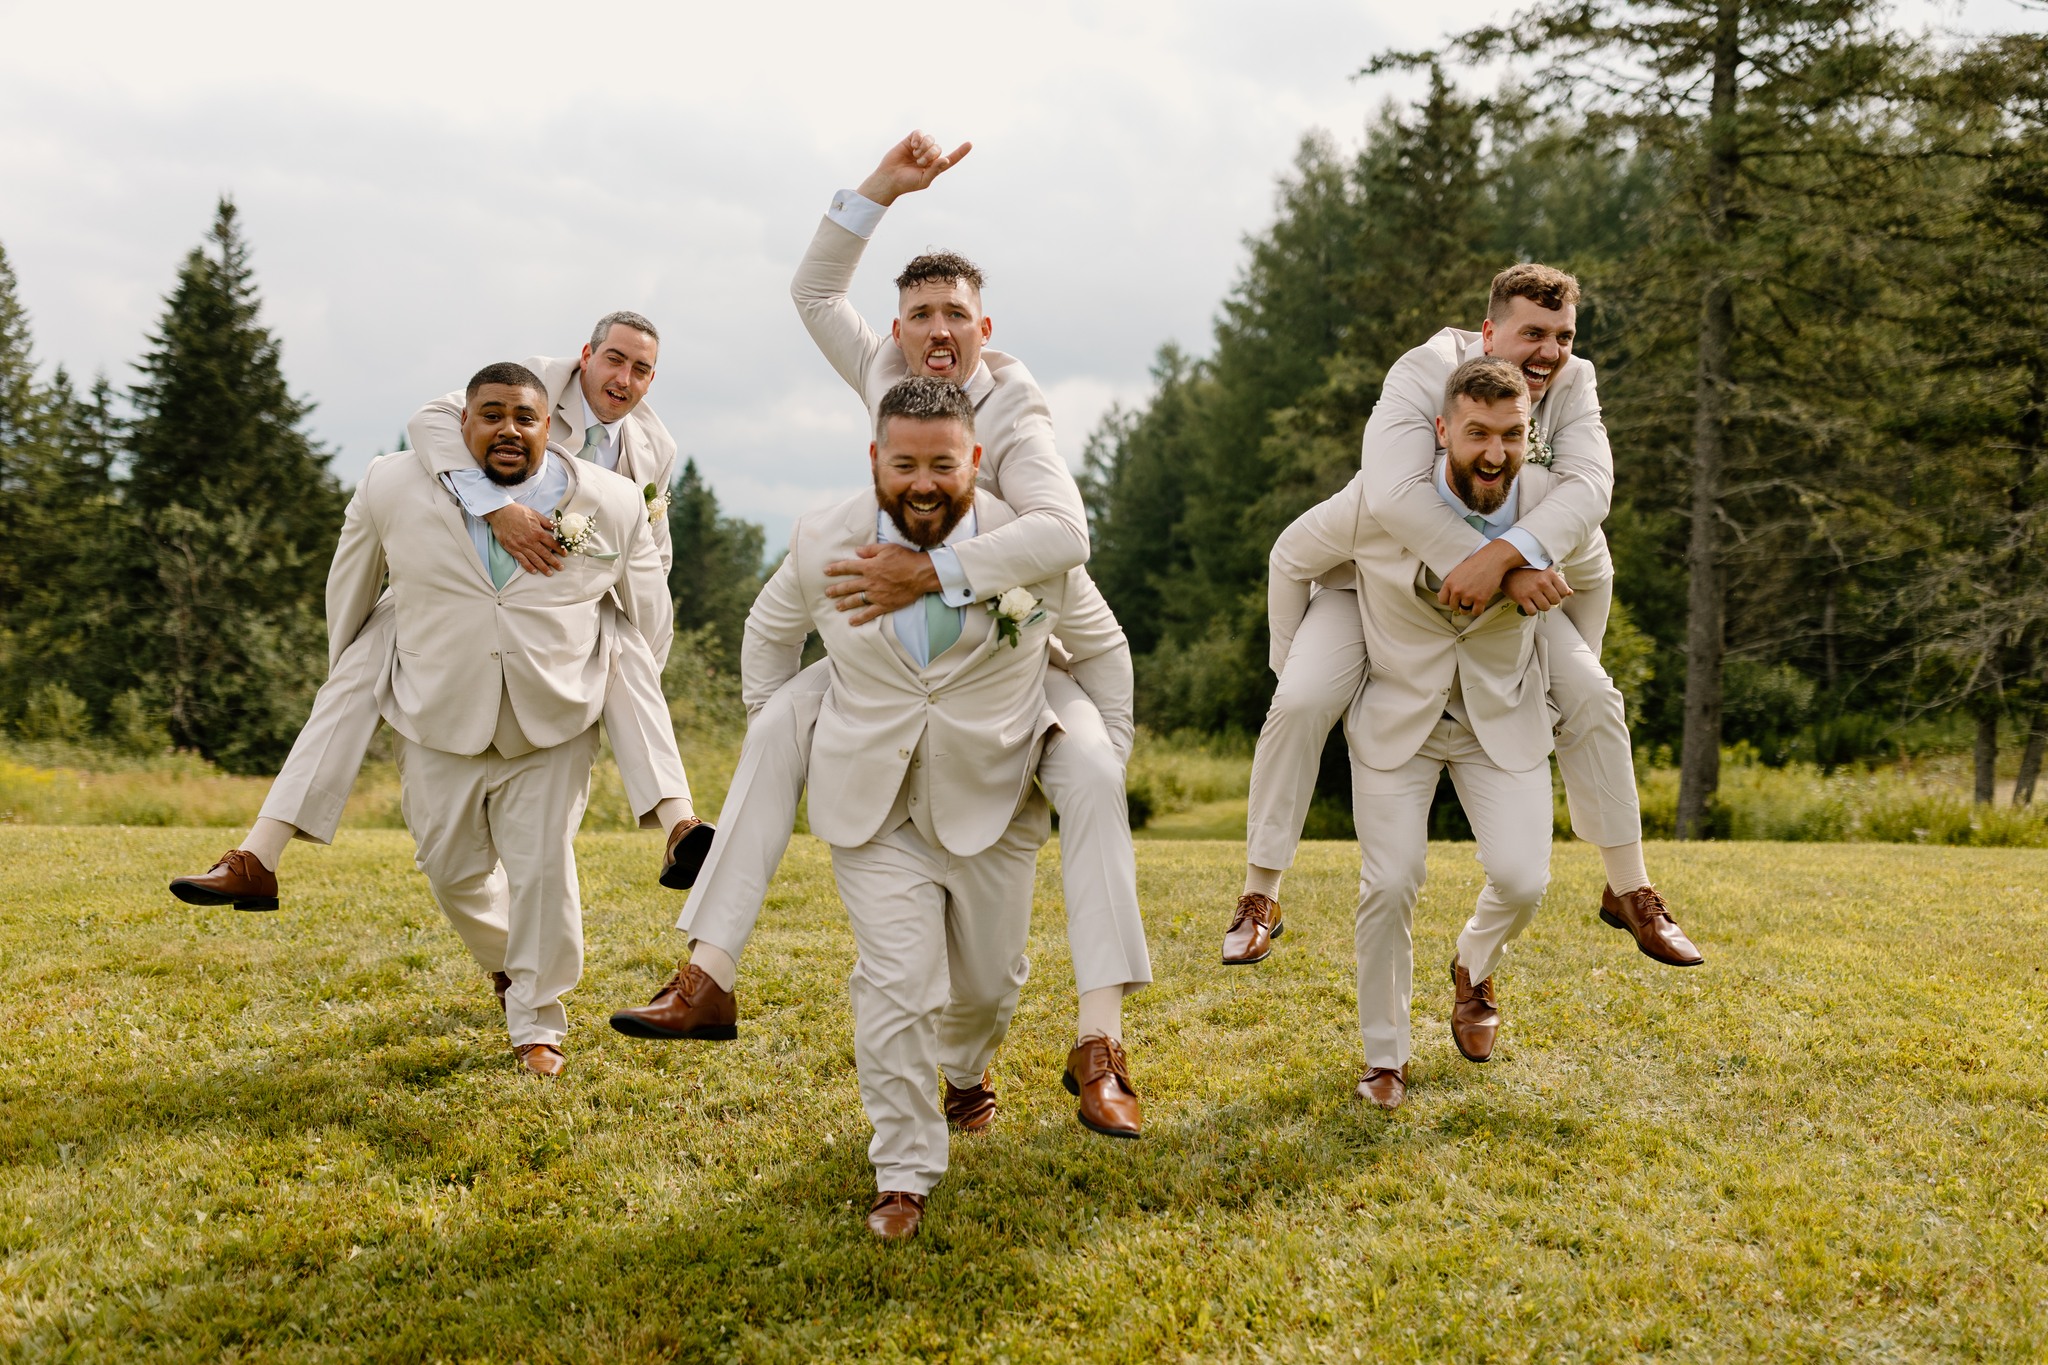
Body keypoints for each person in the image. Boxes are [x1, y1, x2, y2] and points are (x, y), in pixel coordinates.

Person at [609, 133, 1150, 1138]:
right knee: (780, 723)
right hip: (887, 652)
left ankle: (1100, 1040)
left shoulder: (1017, 411)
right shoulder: (884, 368)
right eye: (920, 315)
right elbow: (814, 292)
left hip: (1027, 650)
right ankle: (705, 974)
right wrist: (880, 190)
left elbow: (1067, 538)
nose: (937, 331)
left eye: (955, 316)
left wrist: (933, 572)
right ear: (898, 330)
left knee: (1088, 777)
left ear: (984, 329)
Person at [1226, 265, 1701, 971]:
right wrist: (1293, 662)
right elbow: (1392, 494)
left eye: (1564, 336)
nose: (1550, 352)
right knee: (1299, 700)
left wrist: (1521, 588)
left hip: (1516, 591)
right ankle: (1260, 893)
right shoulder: (1422, 370)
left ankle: (1629, 887)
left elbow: (1590, 492)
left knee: (1594, 695)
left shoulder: (1575, 381)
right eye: (1533, 333)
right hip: (1370, 581)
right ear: (1488, 332)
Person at [169, 313, 710, 923]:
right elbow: (429, 423)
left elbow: (651, 551)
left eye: (641, 369)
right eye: (614, 359)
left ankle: (679, 824)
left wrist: (609, 673)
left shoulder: (653, 445)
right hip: (453, 588)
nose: (624, 378)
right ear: (586, 355)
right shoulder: (528, 383)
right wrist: (497, 509)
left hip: (569, 608)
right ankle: (258, 855)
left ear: (652, 379)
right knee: (367, 648)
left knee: (628, 645)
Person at [745, 378, 1127, 1238]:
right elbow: (769, 636)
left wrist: (1103, 757)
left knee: (988, 987)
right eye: (905, 463)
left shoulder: (1027, 544)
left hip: (994, 799)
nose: (924, 483)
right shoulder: (825, 541)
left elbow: (1102, 647)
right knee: (898, 984)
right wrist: (785, 733)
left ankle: (965, 1072)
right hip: (874, 813)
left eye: (943, 465)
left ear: (975, 461)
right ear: (875, 460)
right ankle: (903, 1170)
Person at [318, 362, 677, 1075]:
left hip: (553, 713)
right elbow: (350, 586)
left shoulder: (602, 499)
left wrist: (620, 689)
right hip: (437, 710)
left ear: (549, 429)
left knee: (543, 868)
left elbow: (647, 613)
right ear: (464, 425)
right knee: (448, 867)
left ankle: (538, 1026)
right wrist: (353, 687)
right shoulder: (400, 486)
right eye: (491, 415)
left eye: (524, 417)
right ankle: (510, 964)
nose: (509, 429)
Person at [1266, 358, 1567, 1110]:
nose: (1494, 453)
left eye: (1511, 435)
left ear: (1529, 433)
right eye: (1477, 434)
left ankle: (1473, 964)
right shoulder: (1377, 501)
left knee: (1524, 881)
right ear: (1442, 431)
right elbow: (1289, 557)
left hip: (1503, 718)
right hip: (1395, 717)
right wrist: (1294, 670)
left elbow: (1592, 578)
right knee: (1390, 882)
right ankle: (1384, 1058)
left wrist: (1568, 679)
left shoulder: (1553, 504)